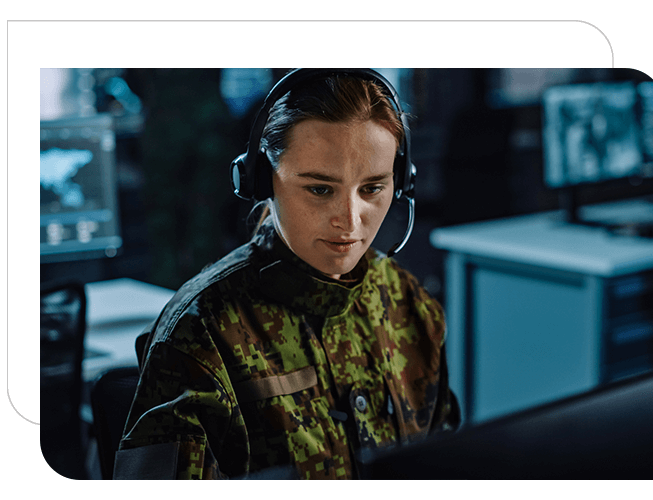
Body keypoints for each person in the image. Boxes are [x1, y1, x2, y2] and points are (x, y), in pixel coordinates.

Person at [114, 69, 460, 480]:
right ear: (263, 180)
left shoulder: (408, 302)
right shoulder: (203, 330)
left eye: (372, 189)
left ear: (401, 183)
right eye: (319, 189)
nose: (350, 221)